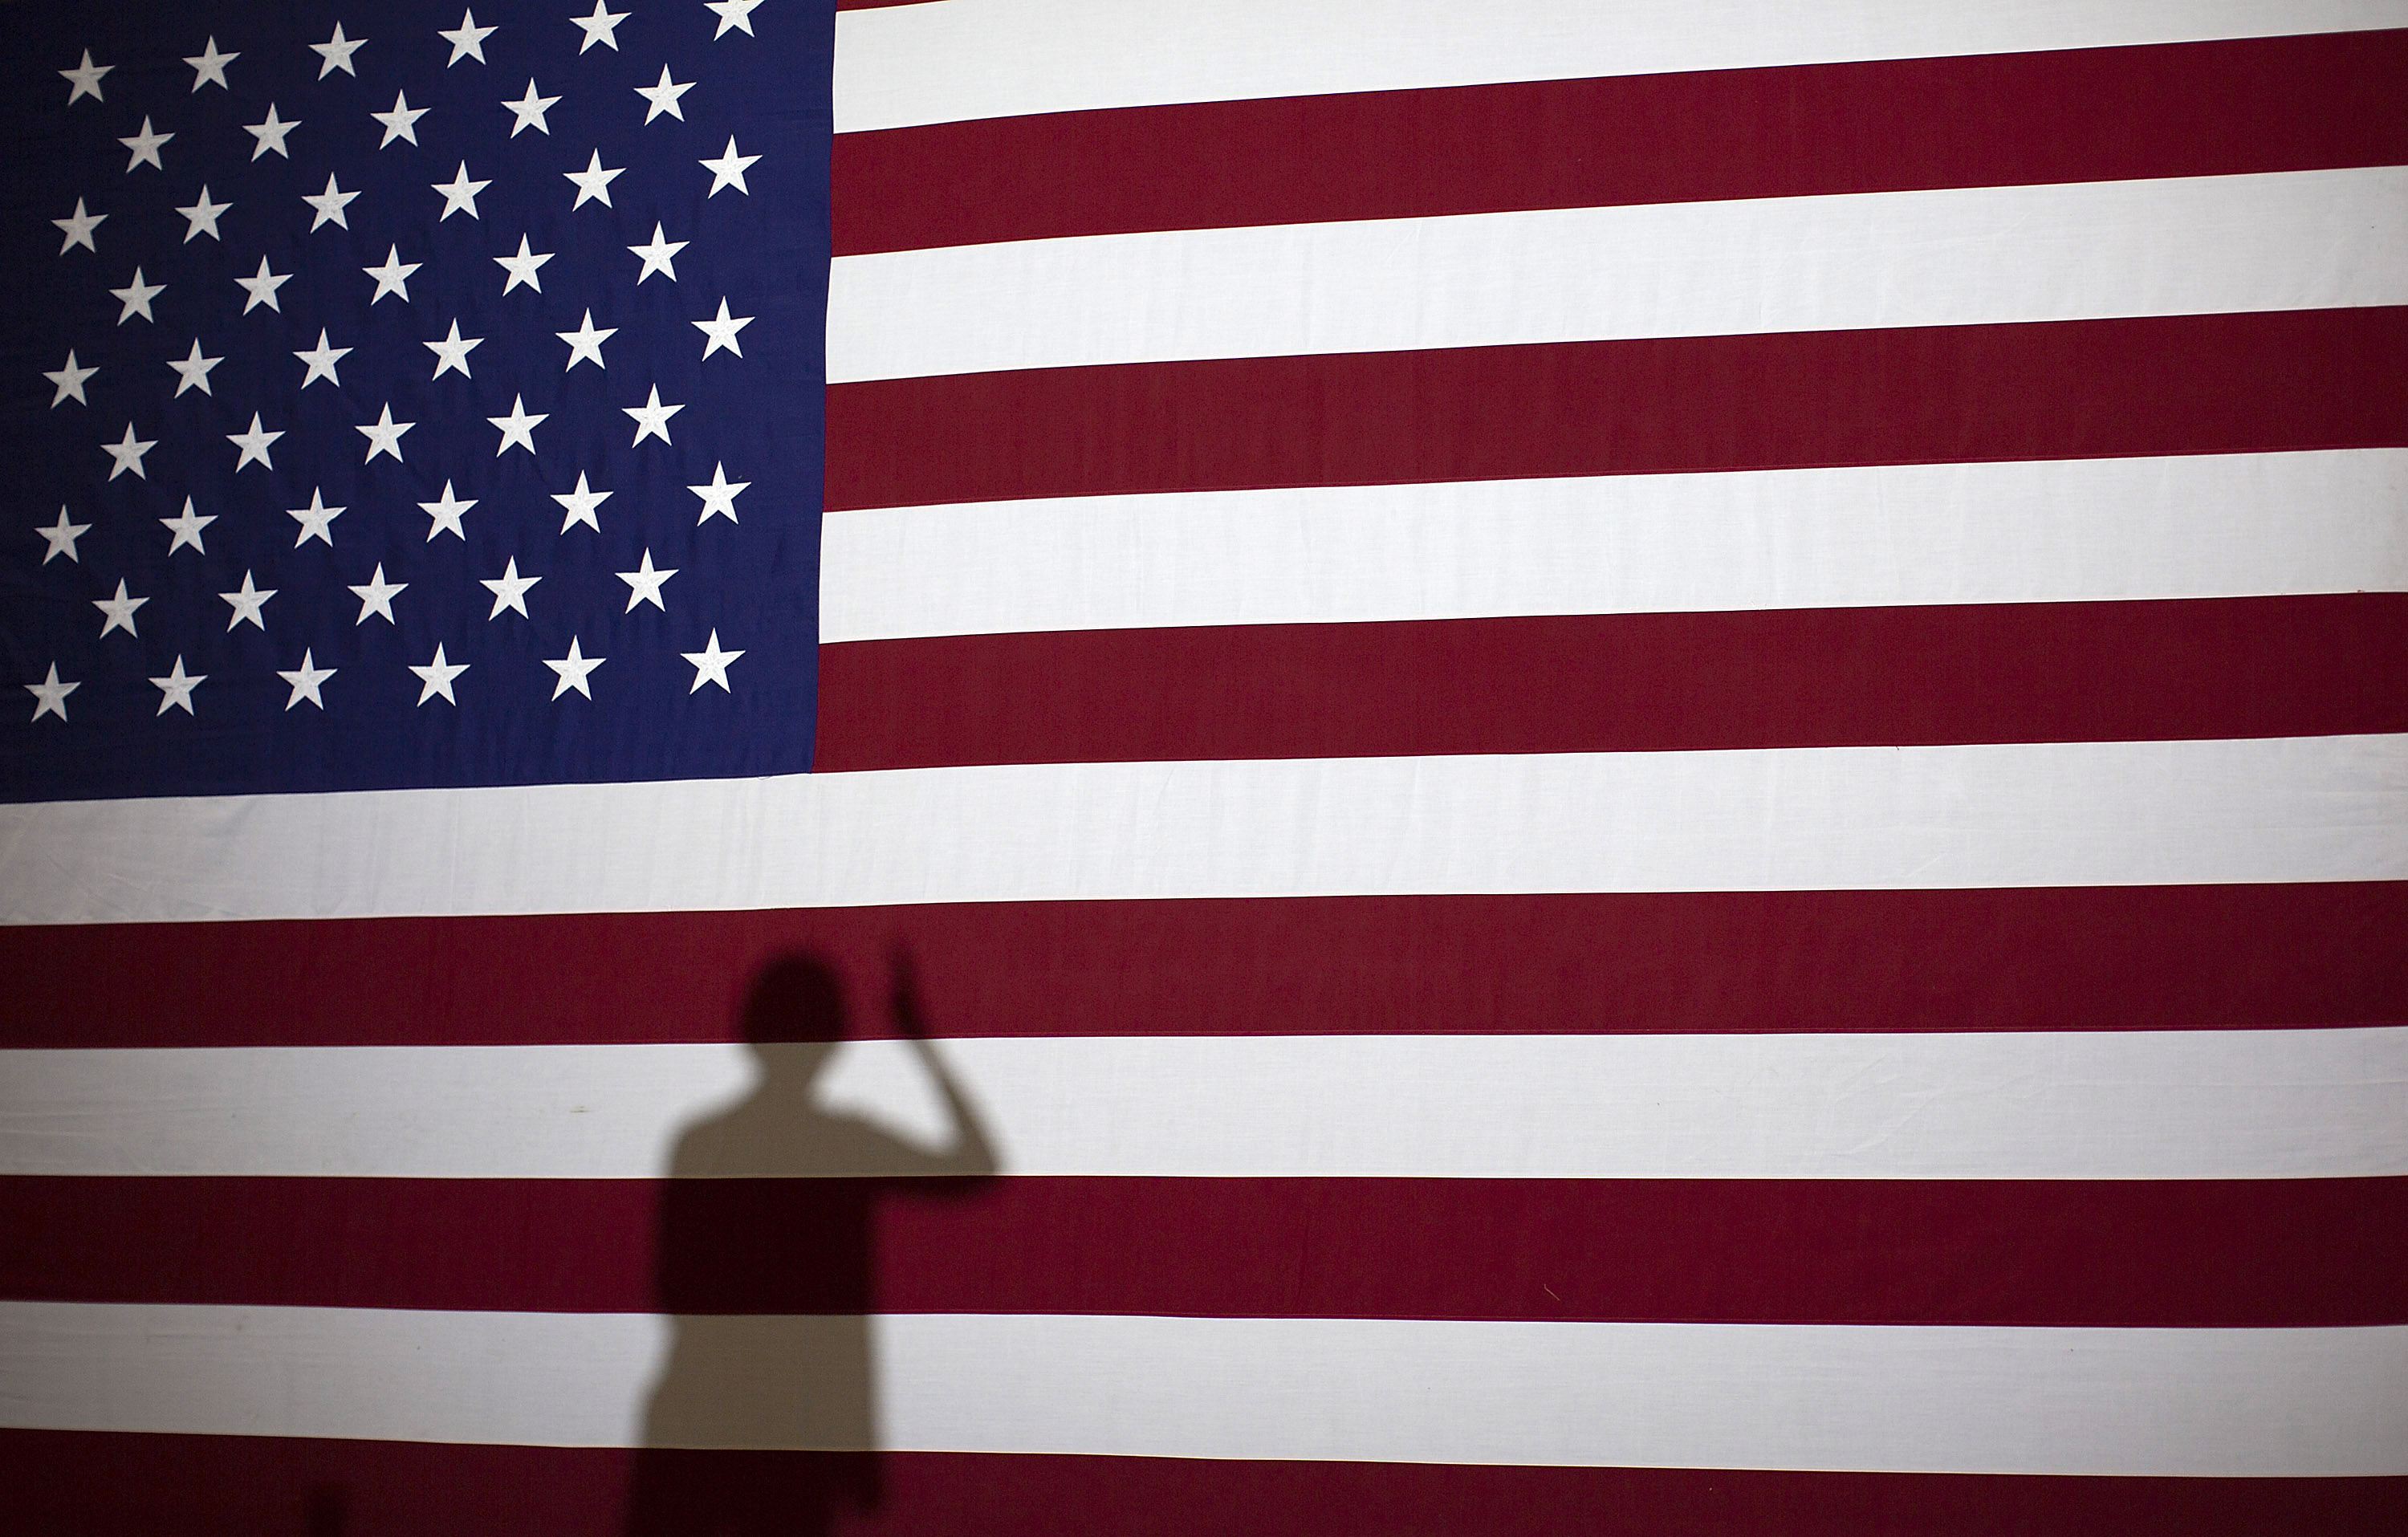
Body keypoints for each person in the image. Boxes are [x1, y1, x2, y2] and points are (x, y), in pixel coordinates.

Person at [625, 951, 996, 1535]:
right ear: (833, 1042)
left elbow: (673, 1290)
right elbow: (975, 1164)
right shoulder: (844, 1144)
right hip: (793, 1426)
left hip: (706, 1413)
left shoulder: (701, 1143)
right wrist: (918, 1041)